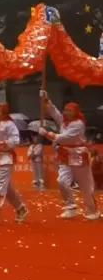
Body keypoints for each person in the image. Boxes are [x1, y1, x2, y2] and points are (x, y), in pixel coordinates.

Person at [39, 92, 98, 220]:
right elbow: (54, 113)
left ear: (76, 112)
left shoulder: (78, 124)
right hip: (64, 154)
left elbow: (64, 138)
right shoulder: (64, 122)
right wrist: (46, 99)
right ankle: (71, 207)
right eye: (65, 110)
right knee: (62, 181)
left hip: (78, 154)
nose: (66, 112)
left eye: (69, 111)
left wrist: (46, 133)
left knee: (85, 185)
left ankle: (92, 210)